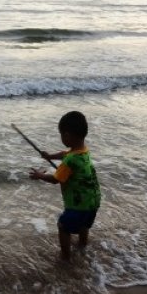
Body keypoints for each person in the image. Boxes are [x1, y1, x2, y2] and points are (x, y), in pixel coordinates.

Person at [29, 111, 100, 261]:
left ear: (67, 136)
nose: (61, 137)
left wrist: (40, 176)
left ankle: (65, 257)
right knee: (83, 226)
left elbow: (56, 179)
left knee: (63, 225)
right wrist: (50, 156)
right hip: (92, 202)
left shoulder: (69, 161)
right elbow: (65, 153)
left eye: (61, 134)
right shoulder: (84, 151)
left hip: (77, 205)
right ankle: (82, 245)